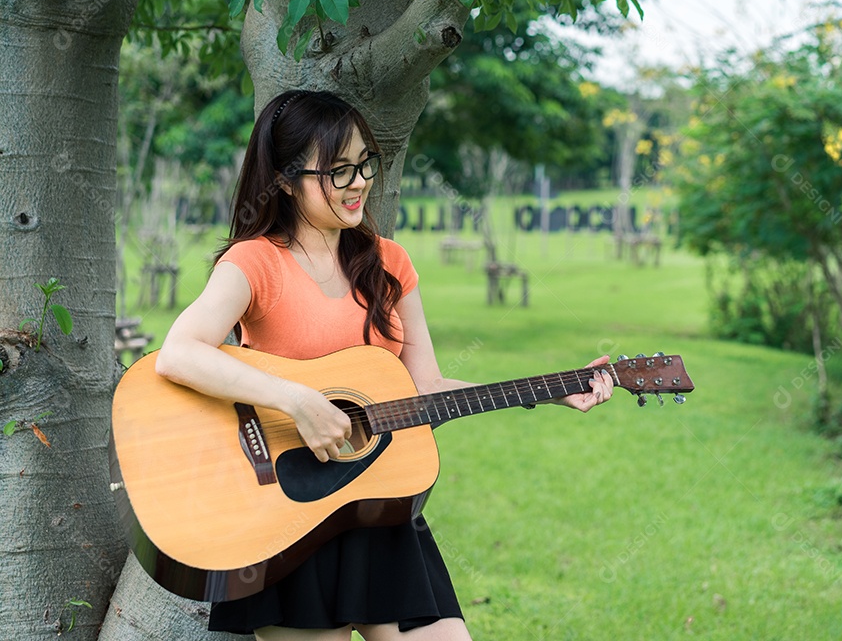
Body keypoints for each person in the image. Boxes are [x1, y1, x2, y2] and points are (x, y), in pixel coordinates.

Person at [154, 90, 614, 641]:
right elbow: (180, 352)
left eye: (365, 163)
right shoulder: (256, 262)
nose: (359, 183)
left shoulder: (388, 262)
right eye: (338, 171)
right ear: (283, 179)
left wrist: (551, 390)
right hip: (289, 509)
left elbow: (427, 386)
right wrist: (298, 400)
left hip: (380, 507)